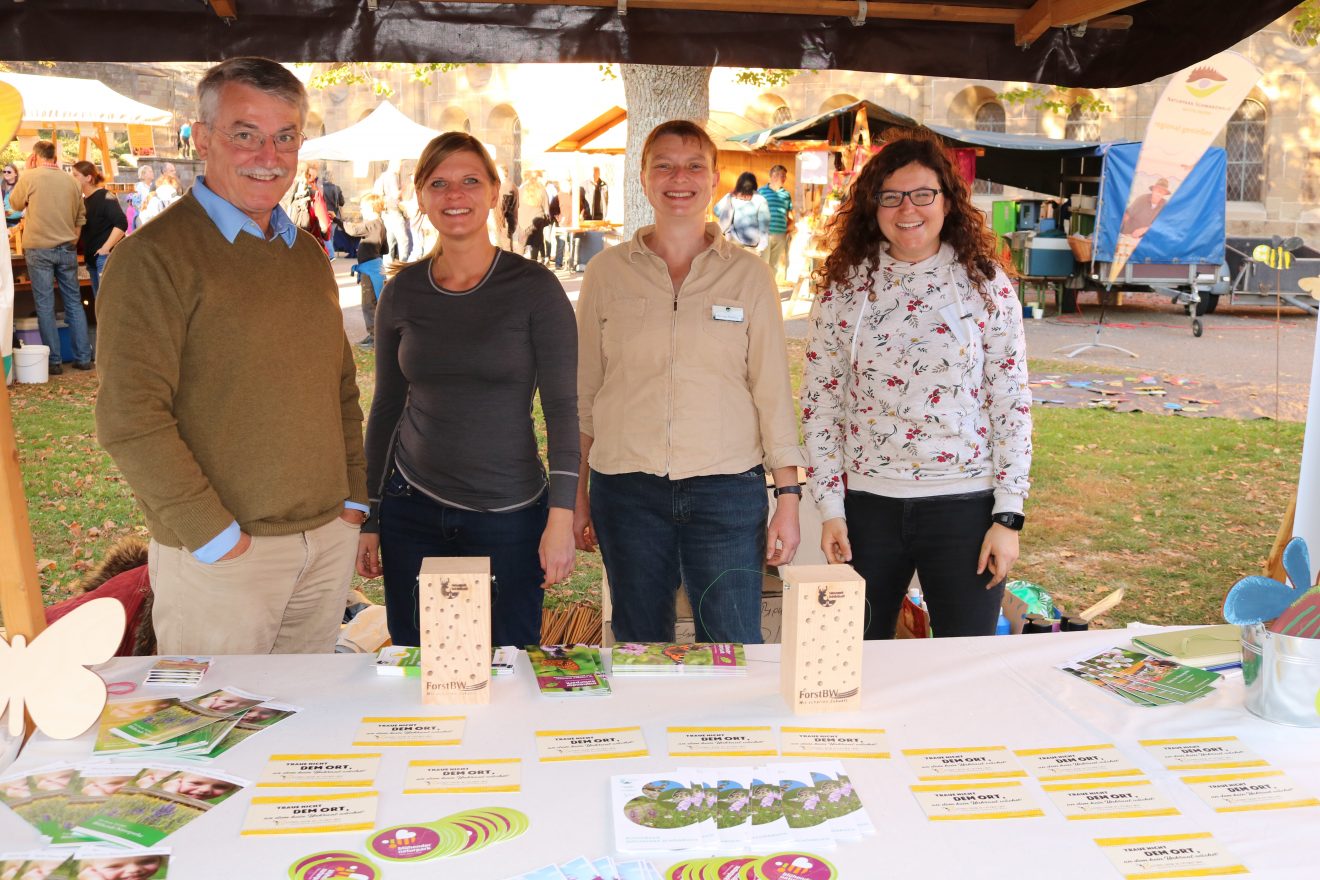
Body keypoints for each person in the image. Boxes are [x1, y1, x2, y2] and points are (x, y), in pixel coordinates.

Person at [94, 56, 368, 656]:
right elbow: (129, 417)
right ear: (202, 137)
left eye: (285, 137)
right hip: (222, 557)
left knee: (302, 728)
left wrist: (351, 499)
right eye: (245, 134)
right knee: (215, 730)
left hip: (324, 542)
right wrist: (213, 537)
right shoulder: (153, 259)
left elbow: (340, 387)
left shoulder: (304, 254)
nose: (267, 155)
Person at [575, 120, 805, 644]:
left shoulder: (749, 276)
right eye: (664, 165)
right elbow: (585, 393)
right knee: (640, 644)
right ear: (642, 176)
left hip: (726, 491)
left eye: (694, 166)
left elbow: (771, 390)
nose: (680, 178)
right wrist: (578, 495)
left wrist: (788, 498)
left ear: (715, 178)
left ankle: (726, 732)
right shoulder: (607, 273)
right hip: (626, 489)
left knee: (732, 644)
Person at [801, 129, 1032, 641]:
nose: (908, 208)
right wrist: (831, 510)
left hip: (966, 508)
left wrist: (1008, 517)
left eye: (923, 194)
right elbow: (820, 405)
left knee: (962, 666)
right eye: (891, 196)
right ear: (873, 206)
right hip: (866, 511)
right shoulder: (845, 288)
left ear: (948, 201)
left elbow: (1011, 400)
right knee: (855, 663)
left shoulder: (984, 284)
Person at [358, 132, 579, 649]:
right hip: (410, 510)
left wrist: (560, 519)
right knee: (419, 664)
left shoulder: (534, 289)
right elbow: (386, 408)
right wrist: (370, 515)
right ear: (420, 196)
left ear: (495, 190)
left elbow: (564, 412)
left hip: (510, 517)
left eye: (469, 181)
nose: (454, 195)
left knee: (509, 664)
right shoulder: (404, 290)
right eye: (439, 183)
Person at [8, 139, 93, 374]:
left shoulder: (30, 177)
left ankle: (54, 362)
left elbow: (14, 204)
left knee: (45, 304)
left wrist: (27, 170)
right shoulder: (71, 181)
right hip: (66, 247)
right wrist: (73, 240)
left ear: (35, 157)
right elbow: (80, 217)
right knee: (74, 302)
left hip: (38, 248)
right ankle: (83, 357)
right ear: (55, 156)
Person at [70, 160, 127, 301]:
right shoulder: (84, 201)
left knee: (108, 303)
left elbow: (121, 223)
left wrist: (106, 248)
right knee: (100, 304)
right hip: (92, 259)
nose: (72, 178)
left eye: (75, 175)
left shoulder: (105, 196)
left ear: (88, 178)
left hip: (104, 258)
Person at [348, 192, 387, 348]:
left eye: (363, 207)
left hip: (370, 269)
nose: (361, 210)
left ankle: (374, 337)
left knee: (369, 303)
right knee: (376, 302)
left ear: (372, 208)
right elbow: (385, 248)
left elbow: (353, 230)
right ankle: (374, 335)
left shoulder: (372, 224)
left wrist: (336, 220)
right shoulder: (380, 225)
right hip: (375, 266)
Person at [714, 171, 769, 253]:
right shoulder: (760, 200)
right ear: (754, 184)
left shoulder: (732, 196)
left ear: (739, 184)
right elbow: (763, 225)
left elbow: (716, 211)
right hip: (751, 245)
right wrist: (761, 247)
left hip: (732, 242)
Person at [758, 164, 793, 281]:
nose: (784, 178)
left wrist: (792, 228)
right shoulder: (761, 191)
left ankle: (770, 289)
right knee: (763, 263)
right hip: (764, 234)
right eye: (782, 175)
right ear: (773, 175)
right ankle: (760, 289)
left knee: (774, 265)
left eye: (785, 176)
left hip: (780, 234)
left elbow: (789, 215)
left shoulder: (786, 194)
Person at [373, 158, 411, 261]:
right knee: (404, 240)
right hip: (394, 211)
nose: (400, 168)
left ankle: (388, 268)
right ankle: (403, 265)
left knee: (390, 242)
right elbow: (395, 194)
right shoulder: (392, 176)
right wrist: (403, 189)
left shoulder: (382, 176)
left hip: (385, 212)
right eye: (400, 165)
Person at [130, 163, 154, 231]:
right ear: (143, 175)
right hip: (142, 218)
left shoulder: (153, 185)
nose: (152, 173)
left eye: (152, 171)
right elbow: (135, 203)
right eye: (150, 171)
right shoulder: (138, 187)